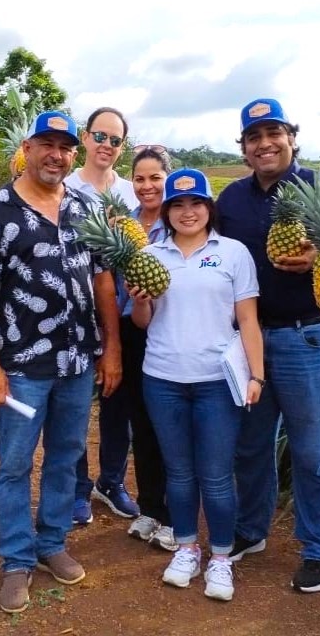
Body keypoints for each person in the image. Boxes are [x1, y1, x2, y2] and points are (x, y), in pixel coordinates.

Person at [0, 110, 122, 614]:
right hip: (23, 368)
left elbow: (104, 280)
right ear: (27, 148)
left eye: (66, 147)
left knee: (66, 455)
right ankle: (15, 559)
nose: (57, 154)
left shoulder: (86, 206)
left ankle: (51, 543)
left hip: (77, 364)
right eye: (47, 144)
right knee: (15, 463)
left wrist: (110, 348)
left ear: (76, 153)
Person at [215, 98, 320, 593]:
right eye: (254, 137)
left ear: (292, 138)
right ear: (244, 147)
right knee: (249, 446)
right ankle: (251, 531)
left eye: (274, 133)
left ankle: (319, 549)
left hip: (306, 336)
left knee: (312, 450)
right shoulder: (230, 200)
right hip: (248, 342)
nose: (264, 143)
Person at [132, 168, 263, 602]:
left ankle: (221, 558)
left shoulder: (233, 253)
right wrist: (139, 299)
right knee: (180, 474)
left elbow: (247, 320)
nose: (188, 212)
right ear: (167, 211)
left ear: (209, 208)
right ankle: (187, 548)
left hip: (216, 381)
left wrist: (257, 375)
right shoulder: (151, 253)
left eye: (196, 203)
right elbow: (142, 322)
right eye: (178, 205)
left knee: (217, 475)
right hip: (163, 378)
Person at [68, 106, 141, 525]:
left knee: (120, 402)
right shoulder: (66, 188)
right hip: (77, 314)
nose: (106, 146)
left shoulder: (132, 193)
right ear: (84, 137)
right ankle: (77, 486)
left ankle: (111, 481)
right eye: (100, 136)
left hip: (127, 312)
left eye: (115, 140)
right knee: (76, 404)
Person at [115, 145, 177, 551]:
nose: (147, 185)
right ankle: (150, 507)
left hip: (171, 330)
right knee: (142, 423)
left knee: (170, 423)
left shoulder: (181, 220)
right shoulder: (122, 225)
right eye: (140, 178)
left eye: (155, 178)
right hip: (132, 326)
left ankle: (176, 514)